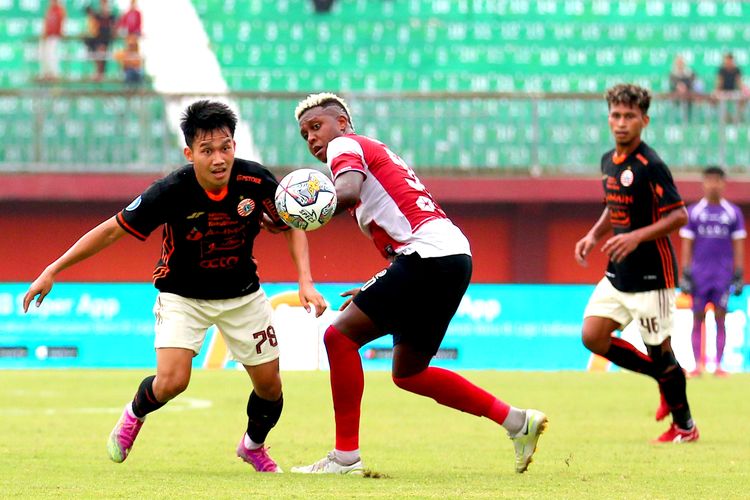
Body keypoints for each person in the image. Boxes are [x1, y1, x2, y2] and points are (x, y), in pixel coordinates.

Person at [23, 100, 327, 472]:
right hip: (182, 295)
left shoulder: (254, 180)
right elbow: (111, 230)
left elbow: (291, 221)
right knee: (172, 382)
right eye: (207, 150)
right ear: (190, 152)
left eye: (226, 147)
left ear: (234, 145)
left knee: (271, 388)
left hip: (243, 296)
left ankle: (252, 446)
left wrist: (305, 281)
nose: (219, 158)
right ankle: (135, 412)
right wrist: (53, 269)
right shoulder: (171, 190)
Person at [289, 92, 547, 475]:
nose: (311, 138)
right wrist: (385, 282)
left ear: (342, 123)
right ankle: (517, 422)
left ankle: (345, 458)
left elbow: (346, 194)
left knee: (338, 337)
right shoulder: (372, 152)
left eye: (316, 127)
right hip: (451, 257)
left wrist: (292, 216)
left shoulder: (344, 147)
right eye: (304, 134)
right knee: (408, 371)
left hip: (427, 256)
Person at [574, 83, 699, 443]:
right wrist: (594, 235)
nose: (621, 122)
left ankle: (685, 426)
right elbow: (614, 207)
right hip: (618, 273)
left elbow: (678, 216)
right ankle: (666, 378)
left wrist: (635, 236)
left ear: (644, 120)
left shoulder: (651, 165)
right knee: (592, 335)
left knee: (659, 351)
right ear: (608, 118)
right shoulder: (606, 161)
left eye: (630, 116)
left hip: (652, 276)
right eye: (616, 115)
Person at [680, 166, 746, 377]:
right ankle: (697, 364)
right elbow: (687, 244)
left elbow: (738, 244)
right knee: (697, 317)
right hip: (700, 274)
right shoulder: (694, 212)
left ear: (723, 183)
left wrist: (739, 272)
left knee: (720, 317)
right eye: (709, 180)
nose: (713, 184)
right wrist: (685, 272)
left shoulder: (732, 212)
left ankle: (718, 364)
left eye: (717, 180)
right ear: (703, 183)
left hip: (722, 274)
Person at [39, 0, 66, 80]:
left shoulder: (60, 10)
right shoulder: (49, 10)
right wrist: (44, 34)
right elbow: (46, 24)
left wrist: (60, 33)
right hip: (48, 36)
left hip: (55, 36)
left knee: (52, 55)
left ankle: (54, 74)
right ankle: (46, 73)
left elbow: (62, 23)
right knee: (44, 54)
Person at [715, 53, 744, 122]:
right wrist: (716, 91)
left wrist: (742, 92)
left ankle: (736, 118)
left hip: (733, 91)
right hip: (723, 91)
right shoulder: (722, 70)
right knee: (717, 100)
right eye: (727, 60)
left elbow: (739, 82)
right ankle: (727, 117)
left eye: (730, 60)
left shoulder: (737, 70)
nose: (728, 62)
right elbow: (719, 83)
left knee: (742, 99)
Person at [668, 55, 696, 121]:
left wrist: (684, 87)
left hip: (688, 95)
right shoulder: (672, 73)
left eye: (681, 62)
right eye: (678, 62)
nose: (680, 64)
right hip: (676, 95)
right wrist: (679, 86)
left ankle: (688, 120)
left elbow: (692, 82)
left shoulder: (690, 72)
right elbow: (672, 84)